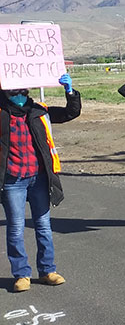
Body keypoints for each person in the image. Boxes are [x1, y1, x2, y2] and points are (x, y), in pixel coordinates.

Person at [1, 73, 81, 292]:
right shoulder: (1, 113)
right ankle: (21, 274)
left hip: (39, 179)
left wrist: (70, 91)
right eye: (14, 91)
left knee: (44, 226)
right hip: (12, 180)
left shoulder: (39, 111)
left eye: (22, 90)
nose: (19, 95)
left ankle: (47, 270)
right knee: (16, 229)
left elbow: (70, 113)